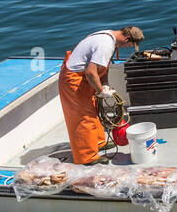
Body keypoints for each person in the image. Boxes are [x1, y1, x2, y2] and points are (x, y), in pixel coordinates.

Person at [59, 26, 144, 165]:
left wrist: (105, 84)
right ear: (126, 38)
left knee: (93, 112)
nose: (127, 47)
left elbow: (103, 67)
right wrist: (101, 91)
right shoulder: (106, 45)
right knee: (83, 117)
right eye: (130, 45)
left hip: (85, 80)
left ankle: (98, 143)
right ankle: (87, 157)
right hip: (75, 80)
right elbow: (91, 72)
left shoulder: (110, 37)